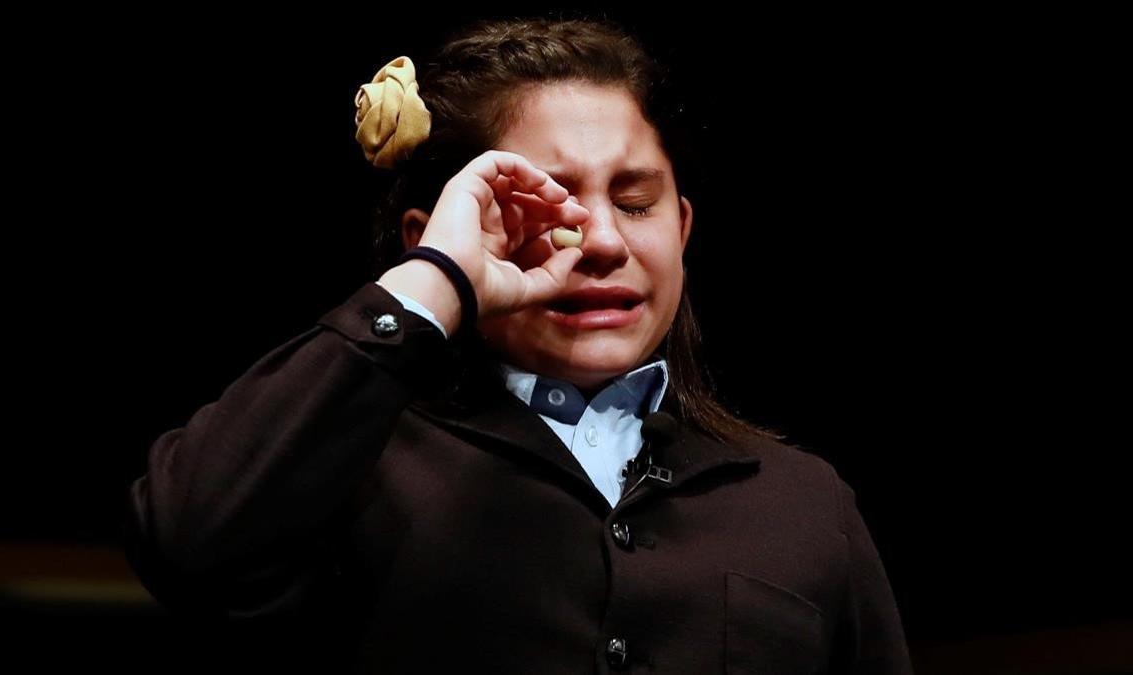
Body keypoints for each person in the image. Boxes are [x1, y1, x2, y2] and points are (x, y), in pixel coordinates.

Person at [124, 16, 914, 673]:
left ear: (682, 228)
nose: (602, 239)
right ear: (440, 239)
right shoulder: (346, 468)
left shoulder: (805, 504)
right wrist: (433, 281)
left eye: (636, 202)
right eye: (550, 201)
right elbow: (188, 537)